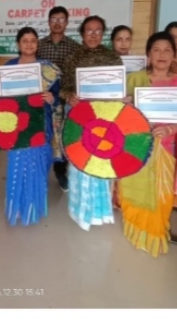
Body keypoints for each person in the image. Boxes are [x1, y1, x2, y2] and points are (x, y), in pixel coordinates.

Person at [119, 31, 177, 257]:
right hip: (136, 147)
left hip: (165, 147)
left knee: (160, 195)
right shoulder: (134, 80)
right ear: (148, 54)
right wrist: (126, 104)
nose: (162, 54)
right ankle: (136, 229)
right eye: (156, 49)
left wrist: (169, 129)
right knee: (134, 189)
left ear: (173, 54)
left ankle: (155, 232)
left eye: (167, 50)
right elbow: (118, 116)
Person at [60, 15, 123, 231]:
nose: (93, 35)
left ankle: (101, 208)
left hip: (105, 117)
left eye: (98, 31)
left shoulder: (113, 58)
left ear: (103, 33)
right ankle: (81, 207)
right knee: (81, 159)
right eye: (89, 30)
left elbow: (119, 89)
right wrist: (70, 96)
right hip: (80, 114)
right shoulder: (72, 57)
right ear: (82, 33)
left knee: (103, 159)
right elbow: (64, 87)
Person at [3, 27, 60, 225]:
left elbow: (58, 96)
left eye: (33, 40)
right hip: (16, 125)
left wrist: (52, 98)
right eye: (25, 40)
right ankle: (18, 206)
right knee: (17, 162)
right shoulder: (9, 66)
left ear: (38, 44)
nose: (29, 44)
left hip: (40, 123)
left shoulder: (48, 68)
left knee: (38, 163)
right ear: (18, 44)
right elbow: (2, 95)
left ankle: (34, 205)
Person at [37, 6, 81, 192]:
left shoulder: (74, 47)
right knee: (42, 137)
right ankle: (40, 174)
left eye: (61, 19)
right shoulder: (38, 45)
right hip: (41, 101)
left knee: (61, 138)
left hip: (64, 100)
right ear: (48, 22)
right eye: (54, 19)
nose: (57, 23)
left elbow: (77, 75)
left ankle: (60, 172)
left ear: (67, 22)